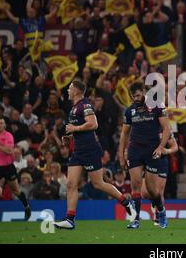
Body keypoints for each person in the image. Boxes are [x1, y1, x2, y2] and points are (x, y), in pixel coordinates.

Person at [53, 80, 136, 230]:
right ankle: (70, 219)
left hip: (90, 149)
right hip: (78, 151)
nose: (68, 90)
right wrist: (70, 136)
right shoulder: (73, 108)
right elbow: (81, 129)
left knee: (98, 184)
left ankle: (126, 202)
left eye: (70, 88)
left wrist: (74, 128)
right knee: (71, 184)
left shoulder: (85, 105)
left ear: (77, 91)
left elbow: (93, 124)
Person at [118, 82, 172, 229]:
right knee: (135, 185)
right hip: (135, 150)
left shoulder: (157, 106)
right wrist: (121, 153)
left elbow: (167, 128)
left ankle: (161, 210)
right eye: (132, 96)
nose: (135, 98)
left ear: (143, 92)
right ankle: (135, 219)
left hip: (152, 151)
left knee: (152, 190)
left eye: (137, 95)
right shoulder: (130, 111)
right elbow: (124, 134)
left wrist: (161, 147)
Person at [0, 118, 31, 219]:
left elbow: (9, 151)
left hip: (8, 167)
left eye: (1, 123)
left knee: (16, 191)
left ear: (4, 125)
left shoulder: (8, 136)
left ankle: (26, 206)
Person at [141, 133, 178, 226]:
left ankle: (159, 216)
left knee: (160, 192)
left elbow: (175, 147)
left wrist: (167, 151)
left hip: (161, 161)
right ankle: (154, 201)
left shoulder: (165, 129)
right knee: (144, 193)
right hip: (146, 160)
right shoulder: (145, 125)